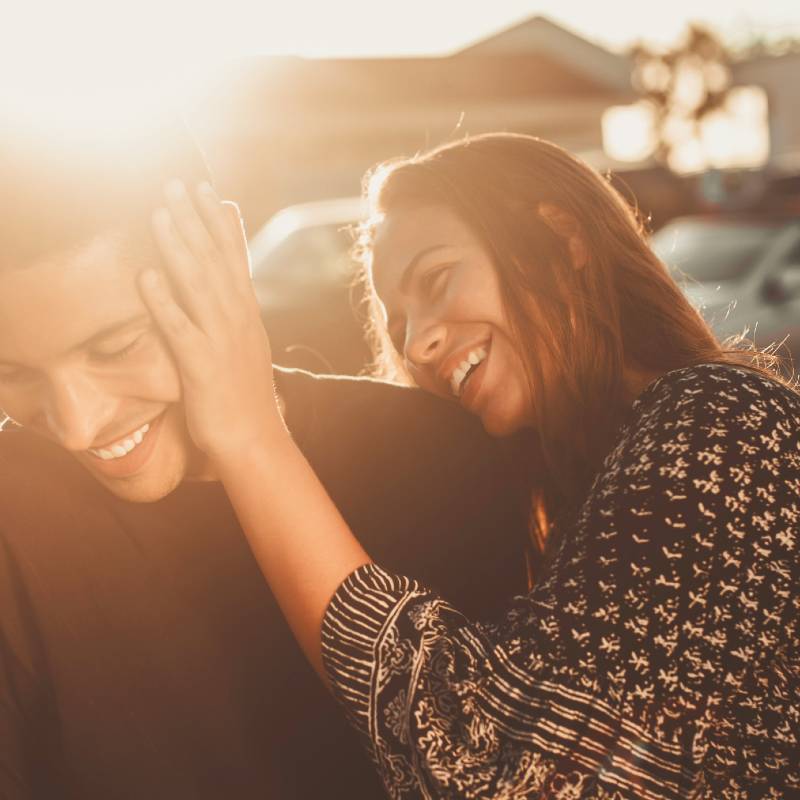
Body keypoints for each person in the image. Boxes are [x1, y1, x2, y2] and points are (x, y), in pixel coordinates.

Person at [144, 132, 800, 798]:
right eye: (397, 322)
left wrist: (252, 434)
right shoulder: (580, 490)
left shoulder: (722, 419)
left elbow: (514, 771)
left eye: (435, 280)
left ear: (562, 237)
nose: (417, 343)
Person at [0, 123, 533, 799]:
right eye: (12, 371)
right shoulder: (10, 518)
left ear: (224, 267)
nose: (76, 426)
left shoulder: (434, 457)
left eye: (115, 347)